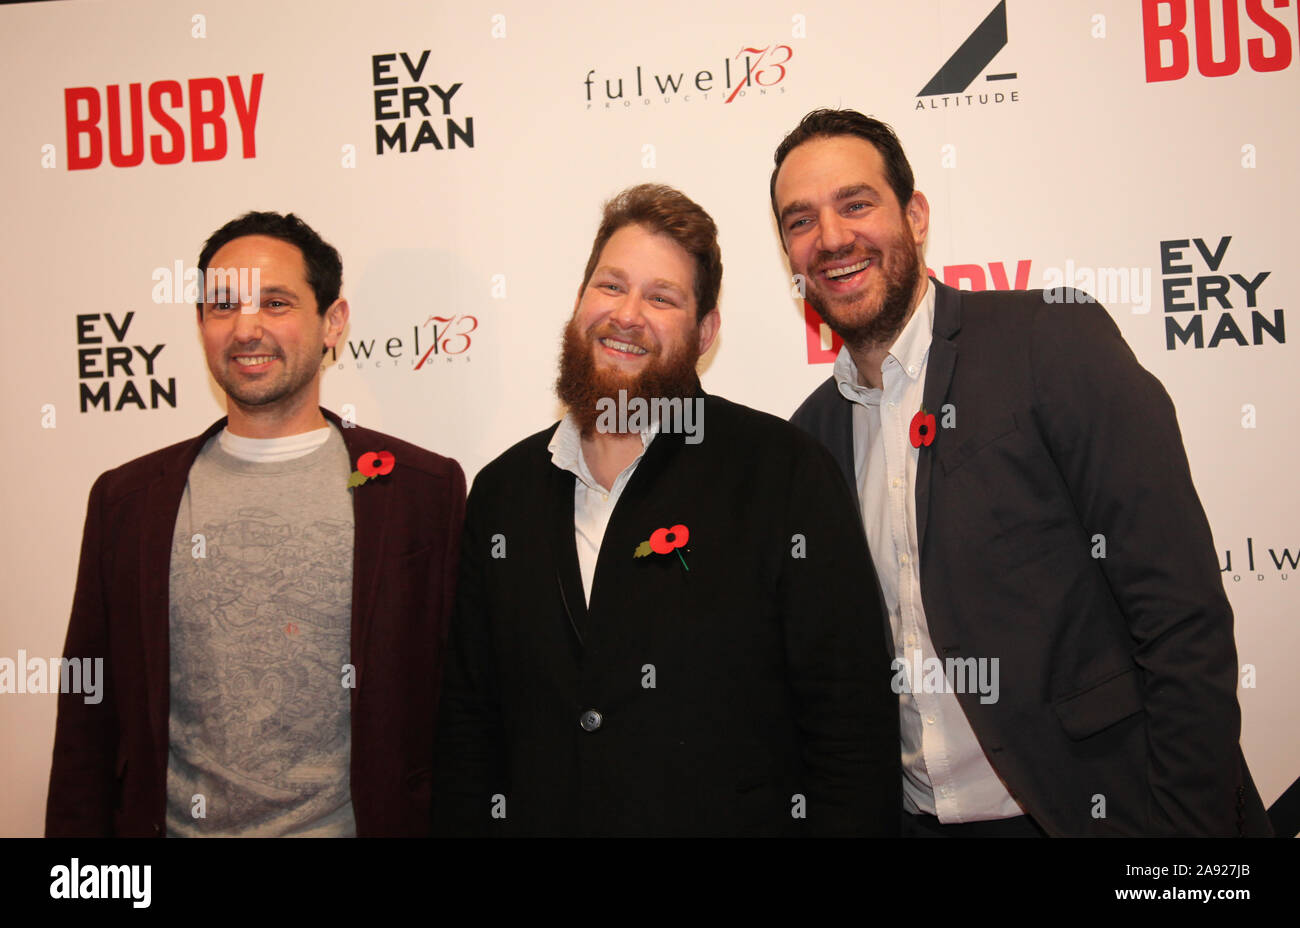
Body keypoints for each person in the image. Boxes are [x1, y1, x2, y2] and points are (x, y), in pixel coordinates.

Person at [772, 108, 1271, 836]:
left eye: (856, 203)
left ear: (914, 217)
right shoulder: (810, 438)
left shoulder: (1051, 341)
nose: (832, 238)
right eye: (800, 221)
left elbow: (1179, 613)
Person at [431, 183, 897, 836]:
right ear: (579, 302)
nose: (627, 315)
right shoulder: (503, 492)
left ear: (705, 331)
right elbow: (469, 726)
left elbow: (851, 732)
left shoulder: (783, 473)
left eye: (661, 297)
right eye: (610, 286)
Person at [45, 211, 465, 837]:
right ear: (200, 325)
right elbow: (87, 726)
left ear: (333, 323)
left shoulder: (421, 492)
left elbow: (462, 710)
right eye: (223, 306)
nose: (246, 328)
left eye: (275, 302)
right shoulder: (126, 502)